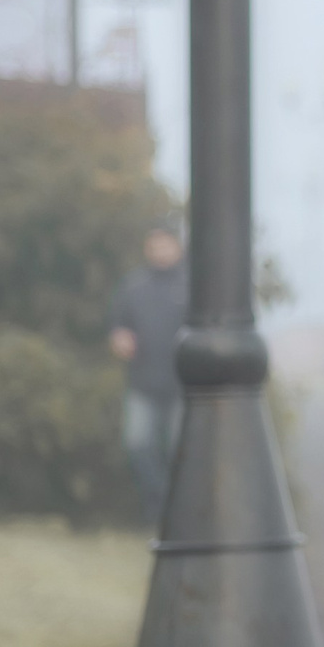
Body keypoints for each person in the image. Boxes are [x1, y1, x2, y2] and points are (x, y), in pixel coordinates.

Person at [109, 225, 189, 525]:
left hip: (182, 386)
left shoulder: (192, 284)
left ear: (177, 247)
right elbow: (118, 325)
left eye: (165, 245)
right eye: (154, 245)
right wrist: (119, 338)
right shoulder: (134, 286)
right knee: (138, 445)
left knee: (179, 452)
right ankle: (159, 509)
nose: (160, 251)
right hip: (142, 383)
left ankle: (181, 515)